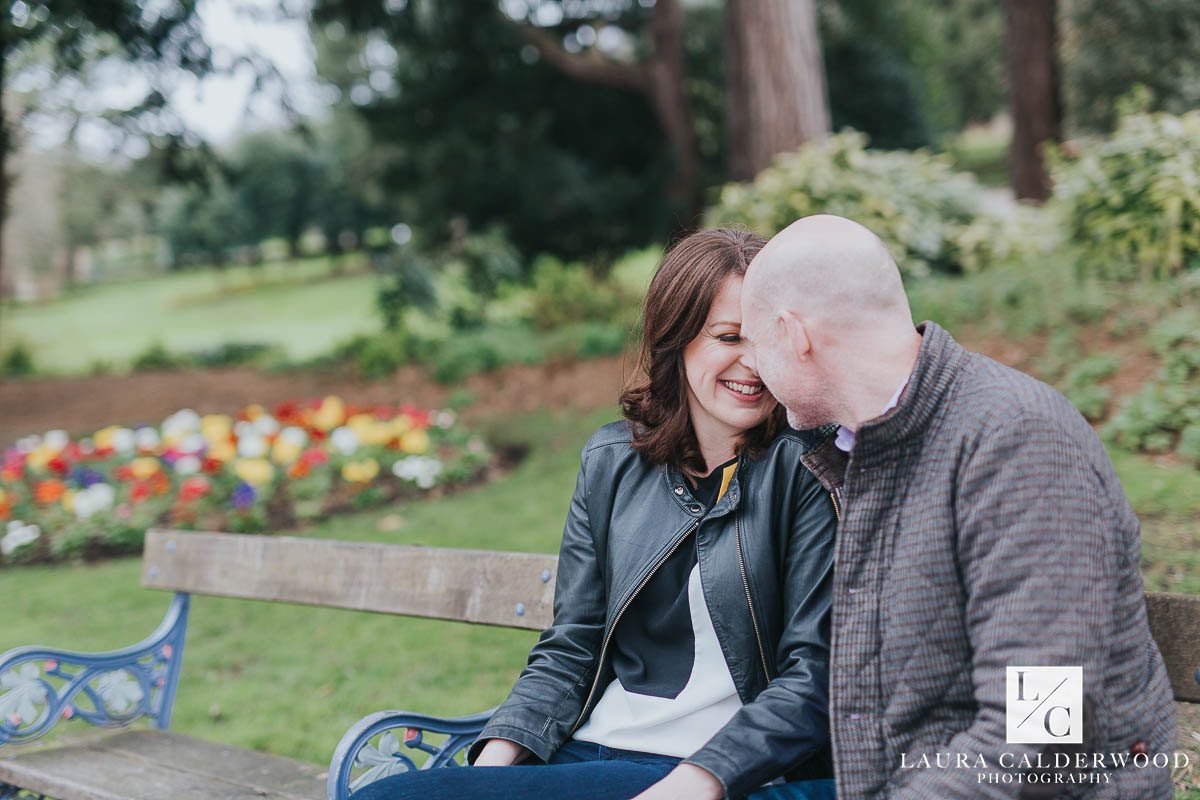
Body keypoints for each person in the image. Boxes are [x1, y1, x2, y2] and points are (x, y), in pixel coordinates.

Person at [351, 229, 838, 800]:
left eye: (766, 339)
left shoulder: (808, 468)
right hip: (589, 750)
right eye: (729, 337)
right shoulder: (611, 463)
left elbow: (811, 674)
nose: (751, 364)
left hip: (713, 770)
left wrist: (697, 783)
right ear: (675, 341)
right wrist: (493, 767)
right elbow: (573, 644)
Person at [738, 214, 1177, 798]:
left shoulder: (1018, 443)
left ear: (796, 334)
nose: (754, 369)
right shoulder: (868, 447)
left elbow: (1040, 729)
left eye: (753, 341)